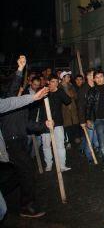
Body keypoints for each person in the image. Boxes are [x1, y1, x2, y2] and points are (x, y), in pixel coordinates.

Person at [0, 56, 50, 219]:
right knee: (27, 170)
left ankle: (18, 200)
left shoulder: (23, 108)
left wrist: (44, 125)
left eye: (21, 89)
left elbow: (28, 124)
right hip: (11, 142)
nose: (20, 90)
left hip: (21, 140)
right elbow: (13, 87)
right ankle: (26, 206)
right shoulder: (9, 101)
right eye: (18, 89)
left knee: (23, 172)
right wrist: (20, 70)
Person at [39, 75, 72, 172]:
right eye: (53, 81)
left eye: (57, 82)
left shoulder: (59, 92)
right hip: (44, 123)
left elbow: (68, 101)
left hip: (57, 123)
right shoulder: (43, 91)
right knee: (46, 145)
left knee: (60, 145)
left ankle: (62, 165)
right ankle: (49, 164)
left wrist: (59, 91)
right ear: (48, 82)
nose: (55, 84)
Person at [86, 70, 104, 173]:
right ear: (94, 79)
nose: (99, 79)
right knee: (102, 144)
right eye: (97, 77)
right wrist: (88, 119)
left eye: (101, 76)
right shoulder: (92, 91)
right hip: (98, 121)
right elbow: (89, 106)